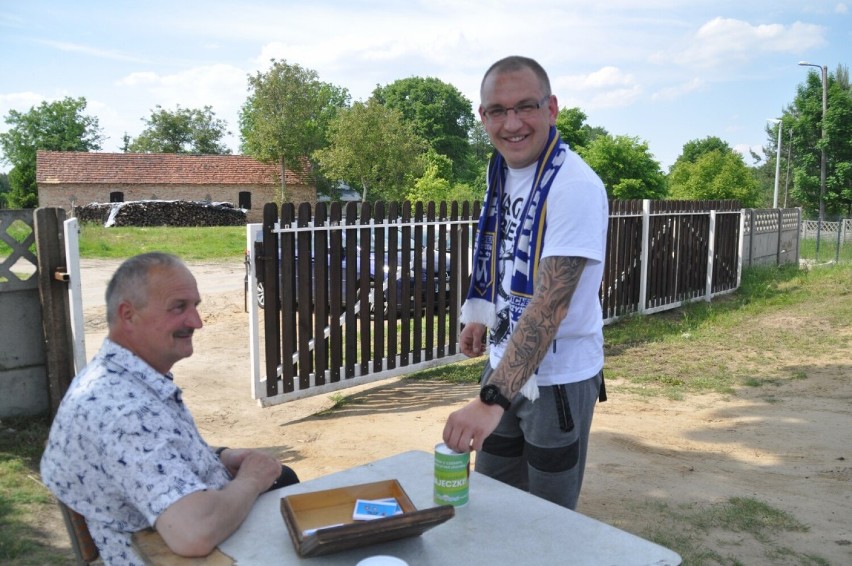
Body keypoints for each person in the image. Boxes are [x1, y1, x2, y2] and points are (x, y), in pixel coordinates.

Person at [40, 252, 298, 565]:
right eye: (179, 307)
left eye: (195, 307)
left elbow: (148, 452)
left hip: (167, 529)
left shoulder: (119, 374)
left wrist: (219, 457)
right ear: (128, 315)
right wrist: (251, 480)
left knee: (285, 479)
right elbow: (194, 534)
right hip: (164, 555)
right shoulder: (123, 409)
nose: (196, 322)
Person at [442, 56, 608, 510]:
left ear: (551, 108)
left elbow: (549, 305)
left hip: (555, 382)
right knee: (493, 504)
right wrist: (484, 317)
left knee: (546, 519)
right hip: (504, 364)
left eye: (525, 107)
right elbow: (508, 257)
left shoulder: (572, 186)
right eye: (497, 110)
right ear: (483, 117)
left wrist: (490, 398)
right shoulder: (504, 174)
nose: (511, 123)